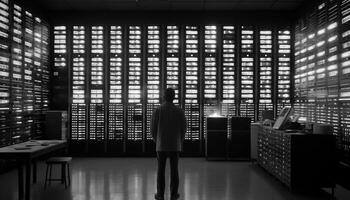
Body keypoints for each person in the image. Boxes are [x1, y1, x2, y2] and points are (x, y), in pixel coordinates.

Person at [151, 88, 187, 200]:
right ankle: (173, 194)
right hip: (175, 145)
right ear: (174, 97)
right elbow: (184, 128)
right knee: (174, 170)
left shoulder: (158, 110)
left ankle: (160, 195)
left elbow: (153, 128)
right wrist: (180, 140)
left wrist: (157, 140)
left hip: (161, 144)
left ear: (164, 96)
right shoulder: (179, 111)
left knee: (160, 171)